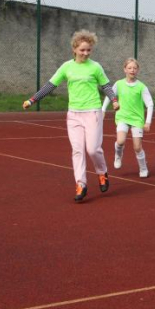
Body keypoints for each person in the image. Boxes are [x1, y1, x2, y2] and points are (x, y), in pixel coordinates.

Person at [23, 29, 118, 202]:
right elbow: (50, 85)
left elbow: (106, 86)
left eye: (89, 50)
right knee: (77, 150)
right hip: (74, 114)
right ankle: (81, 184)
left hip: (92, 112)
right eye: (82, 50)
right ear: (74, 49)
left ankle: (102, 172)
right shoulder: (67, 67)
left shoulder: (95, 67)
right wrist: (33, 99)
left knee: (93, 149)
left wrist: (114, 99)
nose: (86, 53)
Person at [102, 58, 154, 177]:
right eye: (129, 68)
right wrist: (103, 109)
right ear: (125, 69)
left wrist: (148, 122)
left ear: (138, 70)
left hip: (137, 119)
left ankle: (143, 169)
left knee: (137, 147)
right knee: (120, 141)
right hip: (122, 117)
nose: (132, 70)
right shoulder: (119, 84)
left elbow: (150, 104)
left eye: (135, 68)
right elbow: (110, 96)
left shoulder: (141, 87)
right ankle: (118, 155)